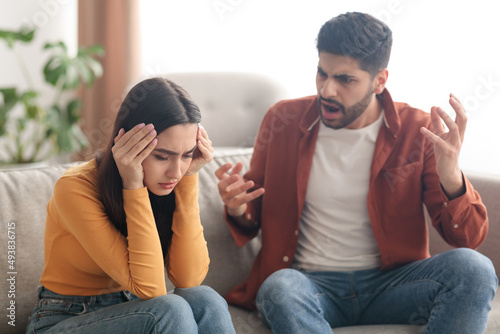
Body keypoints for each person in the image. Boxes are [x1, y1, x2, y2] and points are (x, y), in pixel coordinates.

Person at [215, 12, 497, 334]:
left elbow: (469, 238)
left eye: (345, 79)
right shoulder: (283, 120)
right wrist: (238, 207)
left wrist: (451, 178)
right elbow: (253, 214)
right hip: (309, 285)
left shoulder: (416, 130)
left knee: (474, 270)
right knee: (279, 289)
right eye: (322, 73)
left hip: (393, 285)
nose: (328, 90)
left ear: (379, 80)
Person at [26, 77, 236, 334]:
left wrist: (190, 179)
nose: (176, 171)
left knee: (206, 300)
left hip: (134, 309)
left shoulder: (173, 180)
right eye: (162, 156)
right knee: (170, 309)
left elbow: (188, 278)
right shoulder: (74, 188)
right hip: (62, 319)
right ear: (128, 144)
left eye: (187, 155)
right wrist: (133, 186)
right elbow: (152, 290)